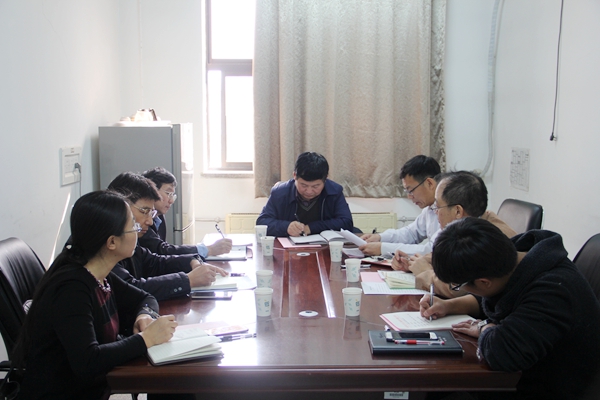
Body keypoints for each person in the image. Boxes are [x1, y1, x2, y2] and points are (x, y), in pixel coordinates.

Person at [12, 191, 177, 399]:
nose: (139, 230)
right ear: (112, 242)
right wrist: (145, 339)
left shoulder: (100, 274)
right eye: (133, 226)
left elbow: (145, 298)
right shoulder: (72, 289)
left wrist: (144, 316)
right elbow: (88, 362)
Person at [420, 217, 600, 399]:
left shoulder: (552, 290)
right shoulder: (512, 259)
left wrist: (484, 329)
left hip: (545, 387)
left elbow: (504, 353)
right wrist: (449, 305)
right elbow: (495, 296)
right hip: (519, 378)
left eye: (457, 285)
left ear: (483, 282)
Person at [392, 171, 516, 297]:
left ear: (457, 211)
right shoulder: (472, 225)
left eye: (437, 206)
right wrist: (413, 262)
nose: (435, 212)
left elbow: (457, 289)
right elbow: (446, 256)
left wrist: (424, 272)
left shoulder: (487, 240)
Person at [108, 172, 227, 301]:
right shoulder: (105, 247)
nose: (150, 221)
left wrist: (191, 260)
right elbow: (131, 290)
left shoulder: (130, 240)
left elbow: (154, 263)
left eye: (151, 213)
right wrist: (188, 280)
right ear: (120, 207)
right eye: (144, 211)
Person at [256, 152, 353, 237]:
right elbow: (262, 222)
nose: (309, 191)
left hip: (324, 246)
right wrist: (286, 227)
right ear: (295, 176)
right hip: (289, 247)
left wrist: (311, 228)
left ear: (325, 179)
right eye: (304, 185)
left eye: (315, 186)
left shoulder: (334, 191)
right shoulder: (280, 192)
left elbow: (346, 222)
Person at [140, 167, 232, 256]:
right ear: (153, 191)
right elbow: (162, 250)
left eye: (172, 195)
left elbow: (164, 254)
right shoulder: (141, 220)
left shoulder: (159, 217)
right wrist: (209, 249)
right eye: (168, 193)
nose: (171, 201)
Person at [359, 155, 441, 256]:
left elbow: (431, 251)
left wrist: (382, 248)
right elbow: (410, 233)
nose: (409, 196)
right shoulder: (430, 208)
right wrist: (380, 237)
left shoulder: (450, 210)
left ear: (430, 184)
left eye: (411, 190)